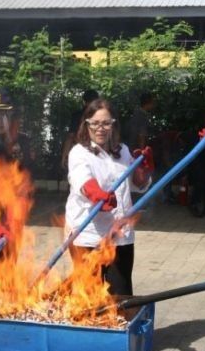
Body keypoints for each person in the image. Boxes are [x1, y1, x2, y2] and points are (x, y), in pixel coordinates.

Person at [65, 99, 153, 296]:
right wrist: (97, 195)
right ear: (86, 124)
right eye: (94, 123)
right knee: (89, 296)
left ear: (114, 124)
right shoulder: (79, 153)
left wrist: (143, 172)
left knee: (121, 294)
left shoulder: (122, 151)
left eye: (106, 123)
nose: (100, 128)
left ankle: (121, 326)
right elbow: (82, 180)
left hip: (120, 235)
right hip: (88, 235)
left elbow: (139, 185)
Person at [61, 89, 99, 171]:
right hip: (97, 151)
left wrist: (64, 156)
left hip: (81, 151)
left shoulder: (77, 115)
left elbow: (70, 137)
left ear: (84, 101)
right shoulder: (101, 116)